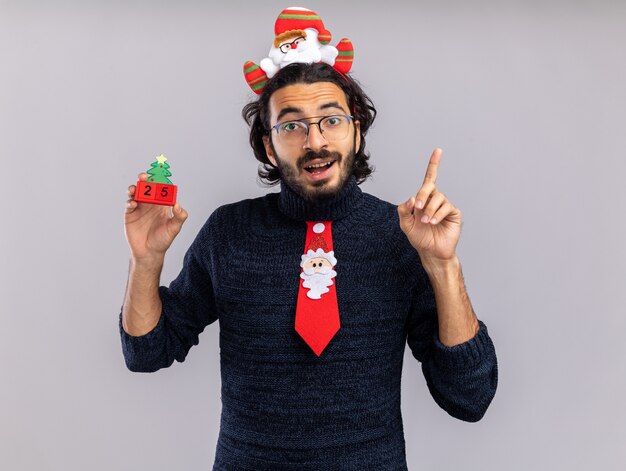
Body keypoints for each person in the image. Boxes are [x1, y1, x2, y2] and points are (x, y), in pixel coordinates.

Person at [119, 61, 498, 469]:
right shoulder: (228, 232)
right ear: (269, 146)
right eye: (291, 126)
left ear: (356, 131)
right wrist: (146, 260)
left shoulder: (403, 237)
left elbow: (469, 396)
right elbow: (146, 353)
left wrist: (444, 265)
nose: (314, 141)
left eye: (331, 120)